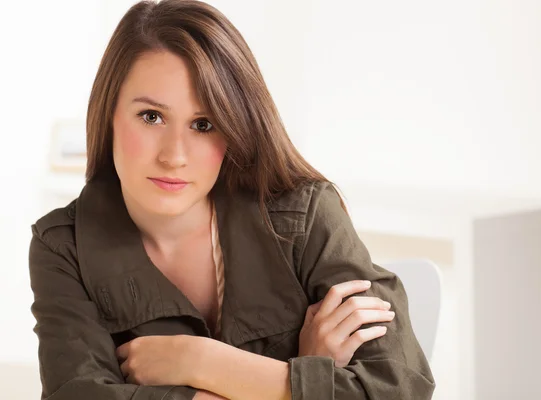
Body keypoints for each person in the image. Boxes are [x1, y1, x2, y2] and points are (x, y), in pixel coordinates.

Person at [28, 0, 435, 399]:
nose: (174, 156)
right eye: (151, 116)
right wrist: (296, 377)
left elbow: (400, 388)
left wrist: (200, 361)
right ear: (109, 114)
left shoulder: (304, 214)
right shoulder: (65, 247)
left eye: (203, 124)